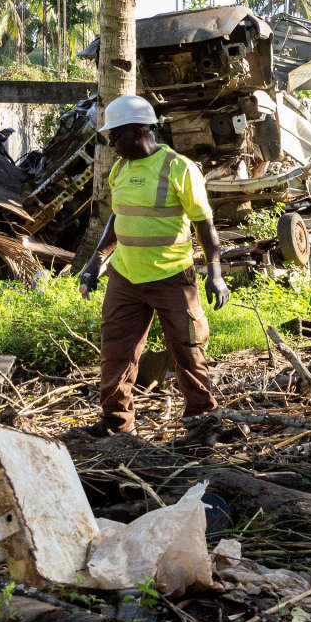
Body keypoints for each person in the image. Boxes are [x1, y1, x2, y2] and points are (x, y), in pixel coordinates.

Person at [75, 95, 231, 436]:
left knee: (188, 351)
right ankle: (117, 425)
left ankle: (201, 423)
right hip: (125, 277)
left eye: (115, 136)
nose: (111, 144)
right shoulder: (121, 169)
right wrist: (95, 261)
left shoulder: (179, 168)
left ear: (138, 130)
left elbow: (205, 224)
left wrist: (215, 273)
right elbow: (118, 217)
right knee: (116, 352)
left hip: (173, 277)